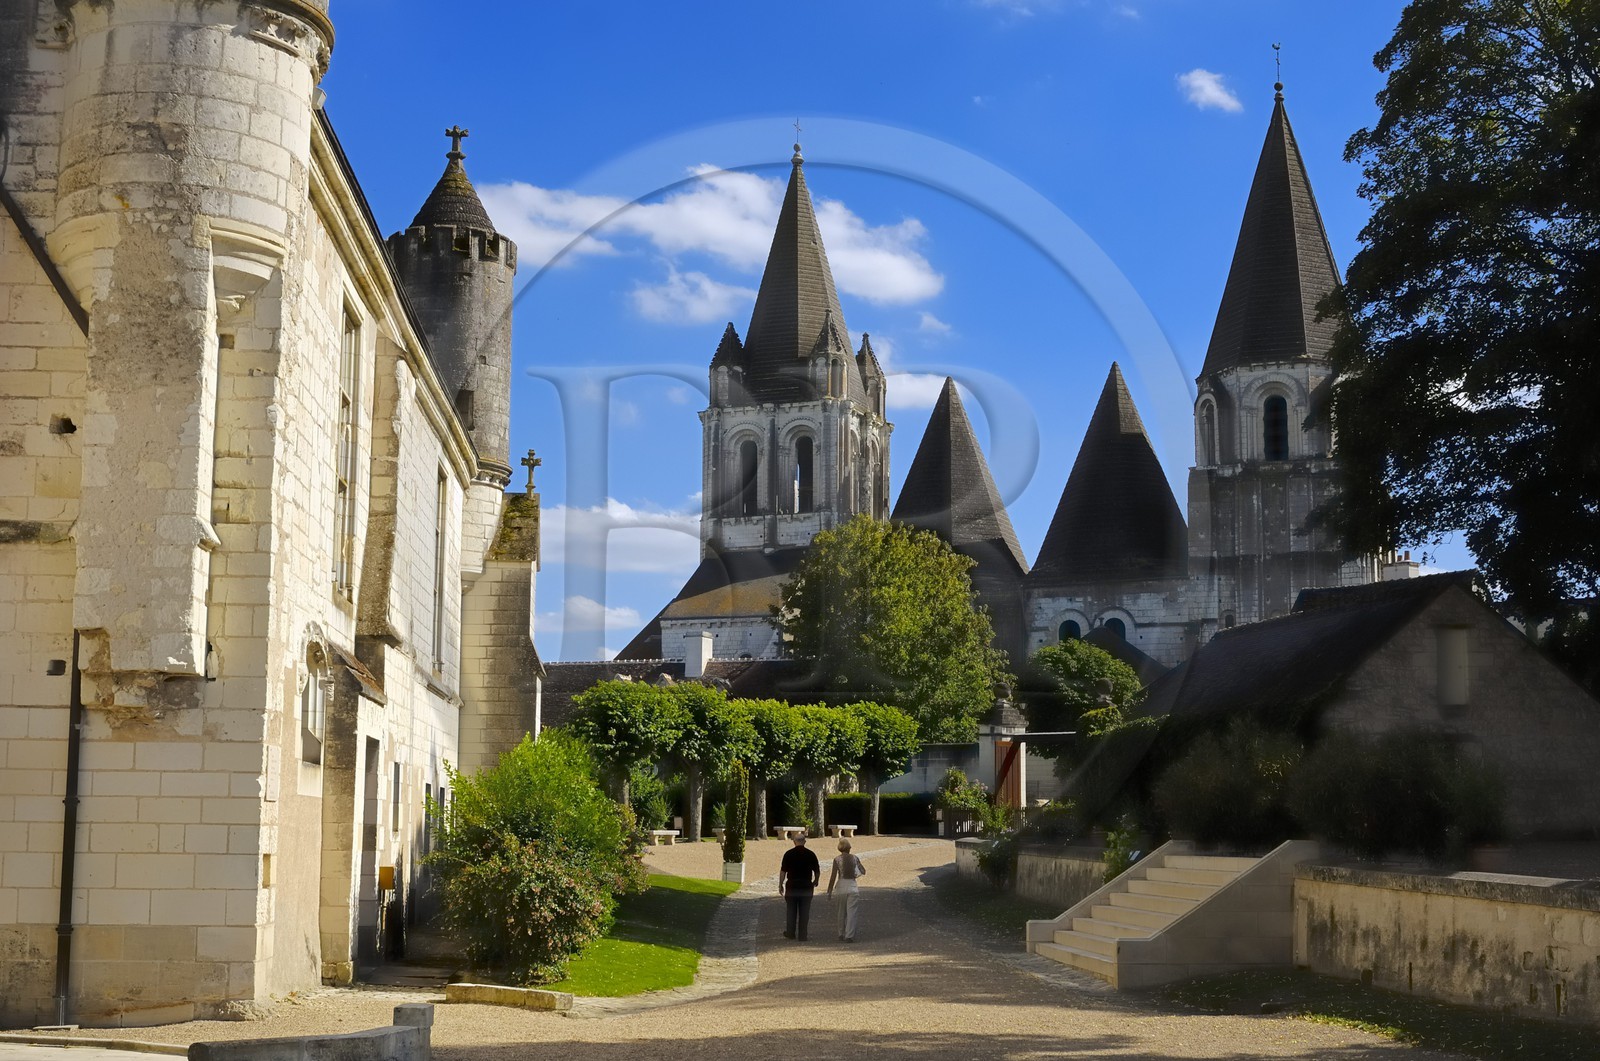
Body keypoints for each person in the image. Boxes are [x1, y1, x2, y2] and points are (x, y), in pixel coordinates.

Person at [777, 831, 820, 941]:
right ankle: (803, 935)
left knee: (791, 910)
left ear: (794, 842)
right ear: (804, 842)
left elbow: (783, 871)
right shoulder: (811, 854)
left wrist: (780, 884)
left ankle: (790, 932)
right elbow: (817, 870)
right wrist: (816, 880)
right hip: (806, 885)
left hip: (792, 885)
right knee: (805, 911)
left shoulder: (788, 854)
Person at [826, 838, 866, 942]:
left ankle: (840, 933)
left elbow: (833, 876)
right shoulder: (855, 858)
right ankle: (849, 935)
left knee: (840, 911)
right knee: (852, 912)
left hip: (841, 885)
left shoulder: (837, 859)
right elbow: (863, 871)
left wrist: (829, 890)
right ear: (849, 848)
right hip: (852, 885)